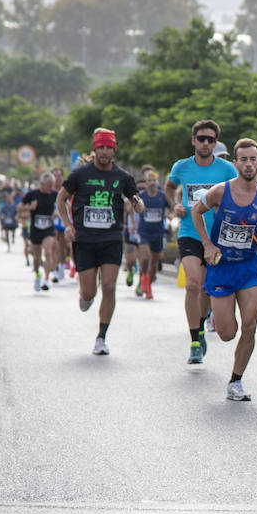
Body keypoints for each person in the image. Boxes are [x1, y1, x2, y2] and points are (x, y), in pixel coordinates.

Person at [191, 138, 257, 402]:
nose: (249, 164)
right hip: (221, 267)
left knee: (251, 325)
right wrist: (207, 245)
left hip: (249, 267)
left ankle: (236, 381)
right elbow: (197, 212)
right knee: (227, 333)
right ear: (236, 163)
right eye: (244, 159)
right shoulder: (220, 191)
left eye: (253, 159)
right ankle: (213, 317)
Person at [57, 128, 144, 356]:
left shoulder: (123, 177)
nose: (105, 152)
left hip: (111, 239)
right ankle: (85, 295)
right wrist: (67, 224)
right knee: (89, 292)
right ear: (95, 149)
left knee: (109, 285)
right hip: (84, 239)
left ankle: (101, 337)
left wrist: (137, 203)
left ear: (114, 150)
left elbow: (135, 197)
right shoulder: (80, 175)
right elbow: (61, 199)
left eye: (109, 148)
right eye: (101, 147)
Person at [166, 120, 238, 365]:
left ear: (215, 143)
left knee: (206, 288)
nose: (205, 143)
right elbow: (169, 188)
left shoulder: (227, 169)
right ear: (193, 140)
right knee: (193, 285)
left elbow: (239, 192)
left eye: (210, 139)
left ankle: (202, 319)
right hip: (189, 231)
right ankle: (195, 339)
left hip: (216, 236)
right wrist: (173, 205)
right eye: (201, 138)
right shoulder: (182, 167)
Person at [21, 173, 60, 292]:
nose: (51, 188)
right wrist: (29, 208)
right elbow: (19, 208)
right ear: (42, 184)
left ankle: (46, 279)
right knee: (37, 258)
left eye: (52, 185)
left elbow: (66, 205)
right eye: (49, 185)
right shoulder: (32, 194)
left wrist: (57, 213)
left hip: (48, 229)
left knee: (48, 252)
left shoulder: (55, 195)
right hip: (35, 230)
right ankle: (38, 275)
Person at [136, 166, 170, 300]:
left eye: (154, 180)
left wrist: (171, 214)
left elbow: (171, 207)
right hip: (144, 232)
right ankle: (144, 276)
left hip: (158, 233)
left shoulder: (162, 197)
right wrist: (132, 224)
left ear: (157, 182)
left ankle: (148, 286)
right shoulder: (141, 196)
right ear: (145, 182)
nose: (152, 183)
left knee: (155, 263)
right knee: (145, 257)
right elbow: (132, 208)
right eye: (149, 180)